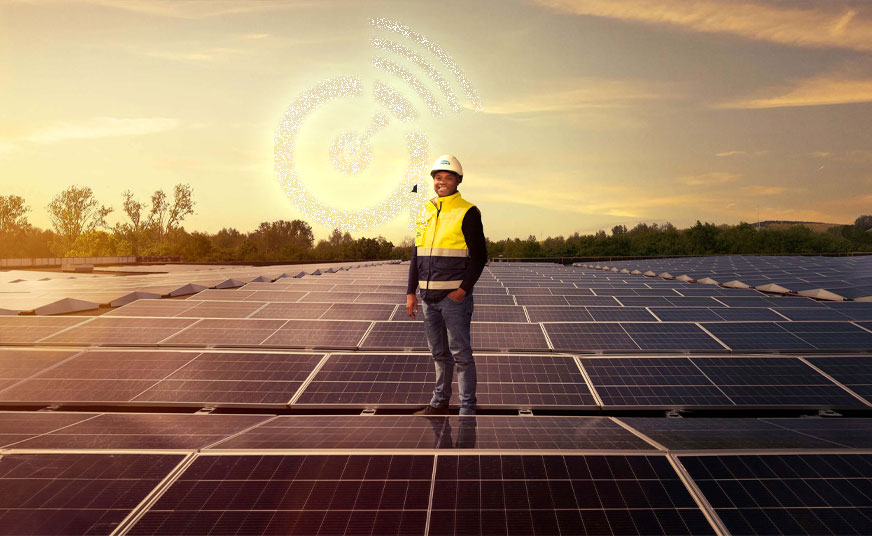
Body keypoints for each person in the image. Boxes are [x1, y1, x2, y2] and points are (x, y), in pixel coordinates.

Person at [406, 154, 487, 416]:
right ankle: (439, 403)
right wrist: (410, 292)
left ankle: (467, 408)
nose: (441, 182)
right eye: (438, 177)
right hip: (428, 299)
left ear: (458, 181)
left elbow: (480, 257)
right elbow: (416, 253)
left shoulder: (468, 211)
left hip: (453, 299)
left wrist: (462, 291)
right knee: (439, 355)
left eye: (448, 178)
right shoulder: (425, 211)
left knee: (461, 355)